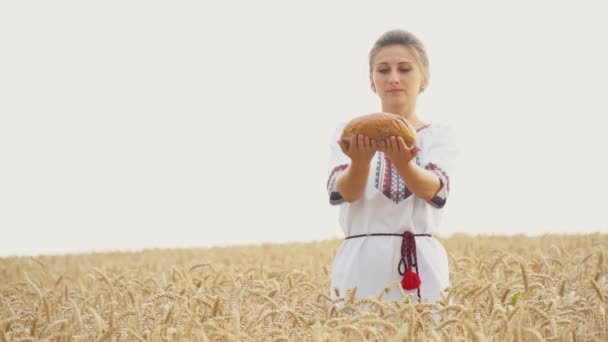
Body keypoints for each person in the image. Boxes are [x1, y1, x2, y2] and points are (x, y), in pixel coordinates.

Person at [326, 29, 457, 304]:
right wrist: (360, 162)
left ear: (424, 79)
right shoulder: (348, 133)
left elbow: (436, 191)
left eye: (405, 69)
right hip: (360, 264)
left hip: (419, 261)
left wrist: (403, 164)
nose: (394, 78)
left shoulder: (438, 135)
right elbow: (342, 193)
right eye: (383, 70)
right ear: (372, 82)